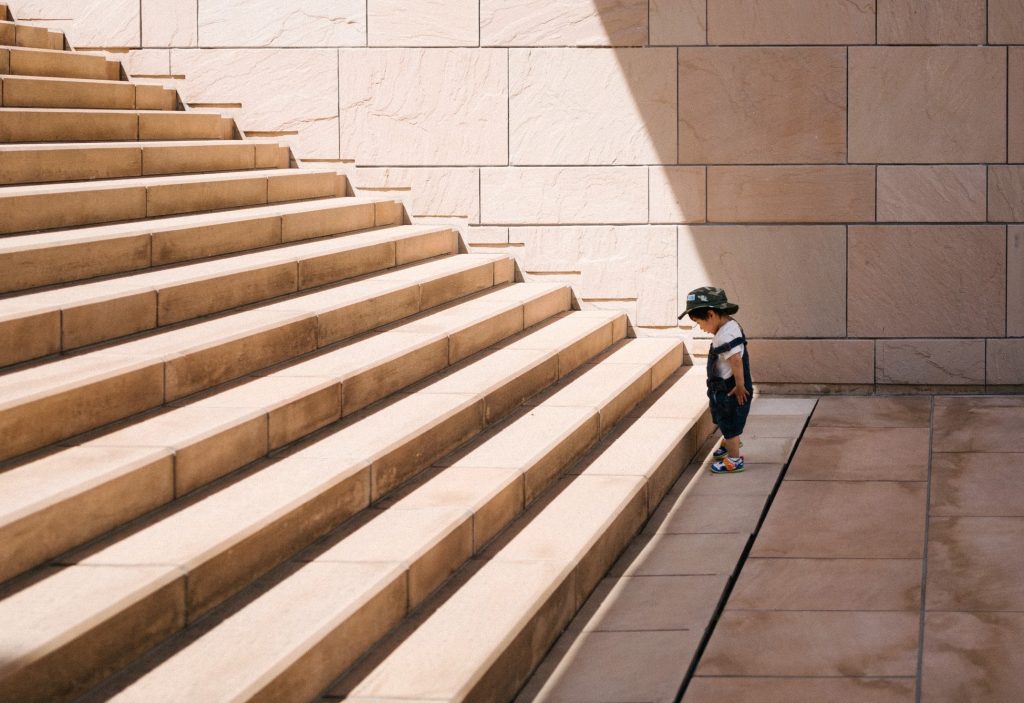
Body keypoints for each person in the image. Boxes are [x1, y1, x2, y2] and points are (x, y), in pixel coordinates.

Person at [678, 286, 753, 474]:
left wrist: (740, 385)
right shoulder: (730, 325)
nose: (701, 328)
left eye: (699, 322)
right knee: (725, 418)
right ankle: (730, 442)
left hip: (730, 388)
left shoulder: (724, 336)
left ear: (711, 314)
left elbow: (736, 360)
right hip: (726, 386)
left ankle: (734, 459)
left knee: (729, 421)